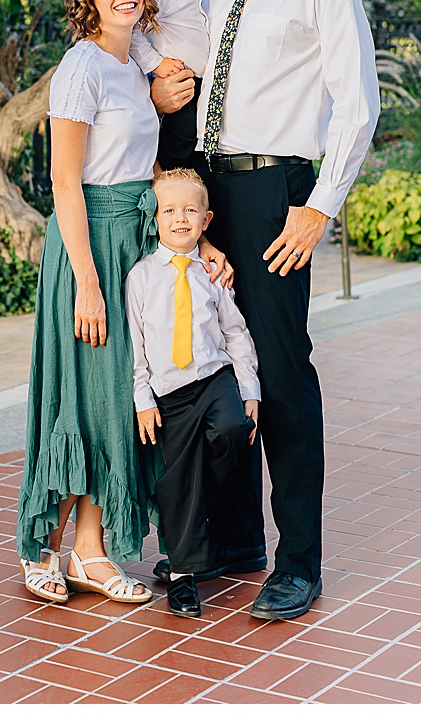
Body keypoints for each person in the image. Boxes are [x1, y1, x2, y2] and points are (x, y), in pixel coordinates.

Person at [152, 0, 379, 622]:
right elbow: (171, 61)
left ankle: (300, 563)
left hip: (276, 193)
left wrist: (320, 207)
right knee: (208, 360)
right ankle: (235, 540)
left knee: (282, 373)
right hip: (207, 190)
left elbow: (357, 104)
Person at [16, 0, 233, 606]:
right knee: (82, 395)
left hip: (135, 245)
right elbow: (63, 181)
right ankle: (43, 549)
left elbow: (150, 165)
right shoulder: (81, 67)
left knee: (116, 398)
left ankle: (91, 549)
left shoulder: (129, 65)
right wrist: (84, 279)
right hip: (91, 247)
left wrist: (198, 246)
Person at [127, 168, 260, 618]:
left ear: (207, 220)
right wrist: (143, 400)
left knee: (232, 430)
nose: (180, 218)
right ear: (156, 218)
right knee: (178, 481)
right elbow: (136, 348)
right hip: (169, 394)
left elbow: (236, 333)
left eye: (190, 210)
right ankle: (185, 575)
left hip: (215, 378)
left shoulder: (212, 273)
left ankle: (214, 527)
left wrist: (250, 389)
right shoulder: (141, 278)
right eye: (169, 210)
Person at [132, 0, 210, 172]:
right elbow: (134, 32)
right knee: (179, 143)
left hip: (197, 83)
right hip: (175, 80)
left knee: (194, 142)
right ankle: (166, 179)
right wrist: (156, 64)